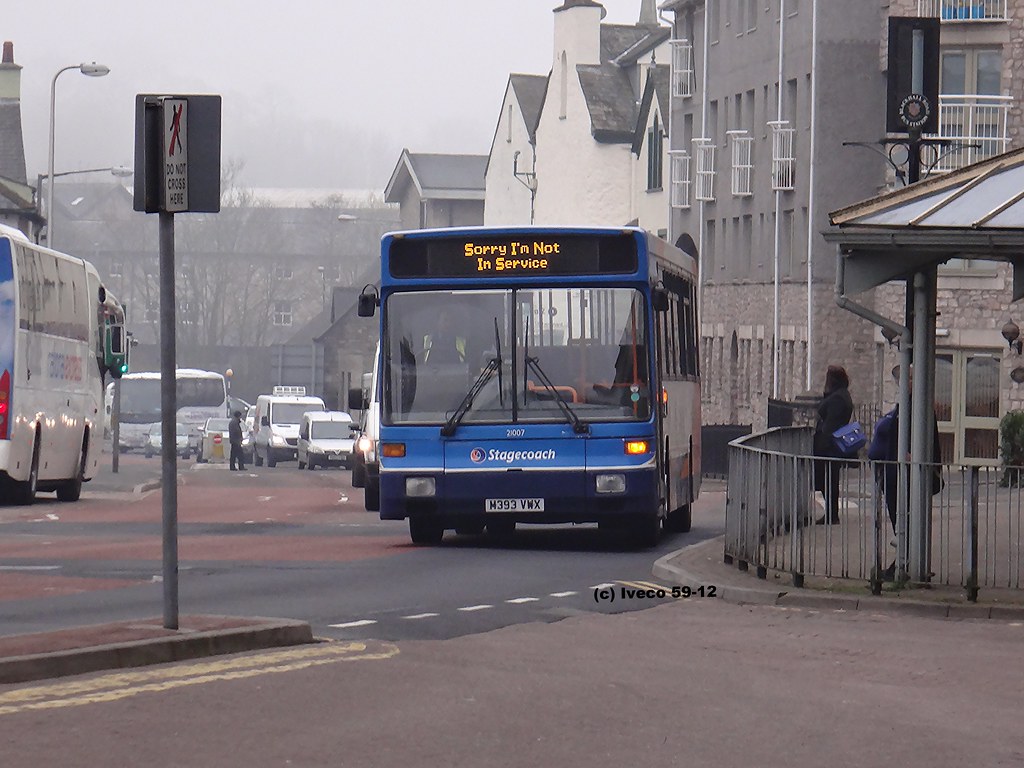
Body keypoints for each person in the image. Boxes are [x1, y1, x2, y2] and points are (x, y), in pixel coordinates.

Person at [812, 365, 854, 525]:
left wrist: (822, 442)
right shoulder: (841, 395)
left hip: (829, 446)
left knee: (827, 479)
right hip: (832, 445)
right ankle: (831, 512)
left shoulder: (838, 398)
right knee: (829, 479)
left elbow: (831, 424)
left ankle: (832, 514)